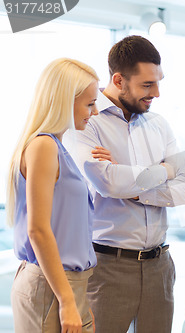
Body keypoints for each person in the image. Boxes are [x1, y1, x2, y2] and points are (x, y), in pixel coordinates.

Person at [66, 35, 185, 333]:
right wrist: (165, 170)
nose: (157, 93)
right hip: (108, 267)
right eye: (147, 85)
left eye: (159, 82)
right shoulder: (86, 120)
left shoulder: (159, 124)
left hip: (160, 266)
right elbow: (108, 184)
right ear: (118, 79)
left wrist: (137, 190)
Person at [6, 58, 100, 332]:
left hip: (65, 285)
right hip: (53, 287)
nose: (93, 112)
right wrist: (67, 300)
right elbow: (38, 230)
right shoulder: (44, 146)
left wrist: (75, 298)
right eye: (89, 103)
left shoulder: (55, 146)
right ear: (64, 101)